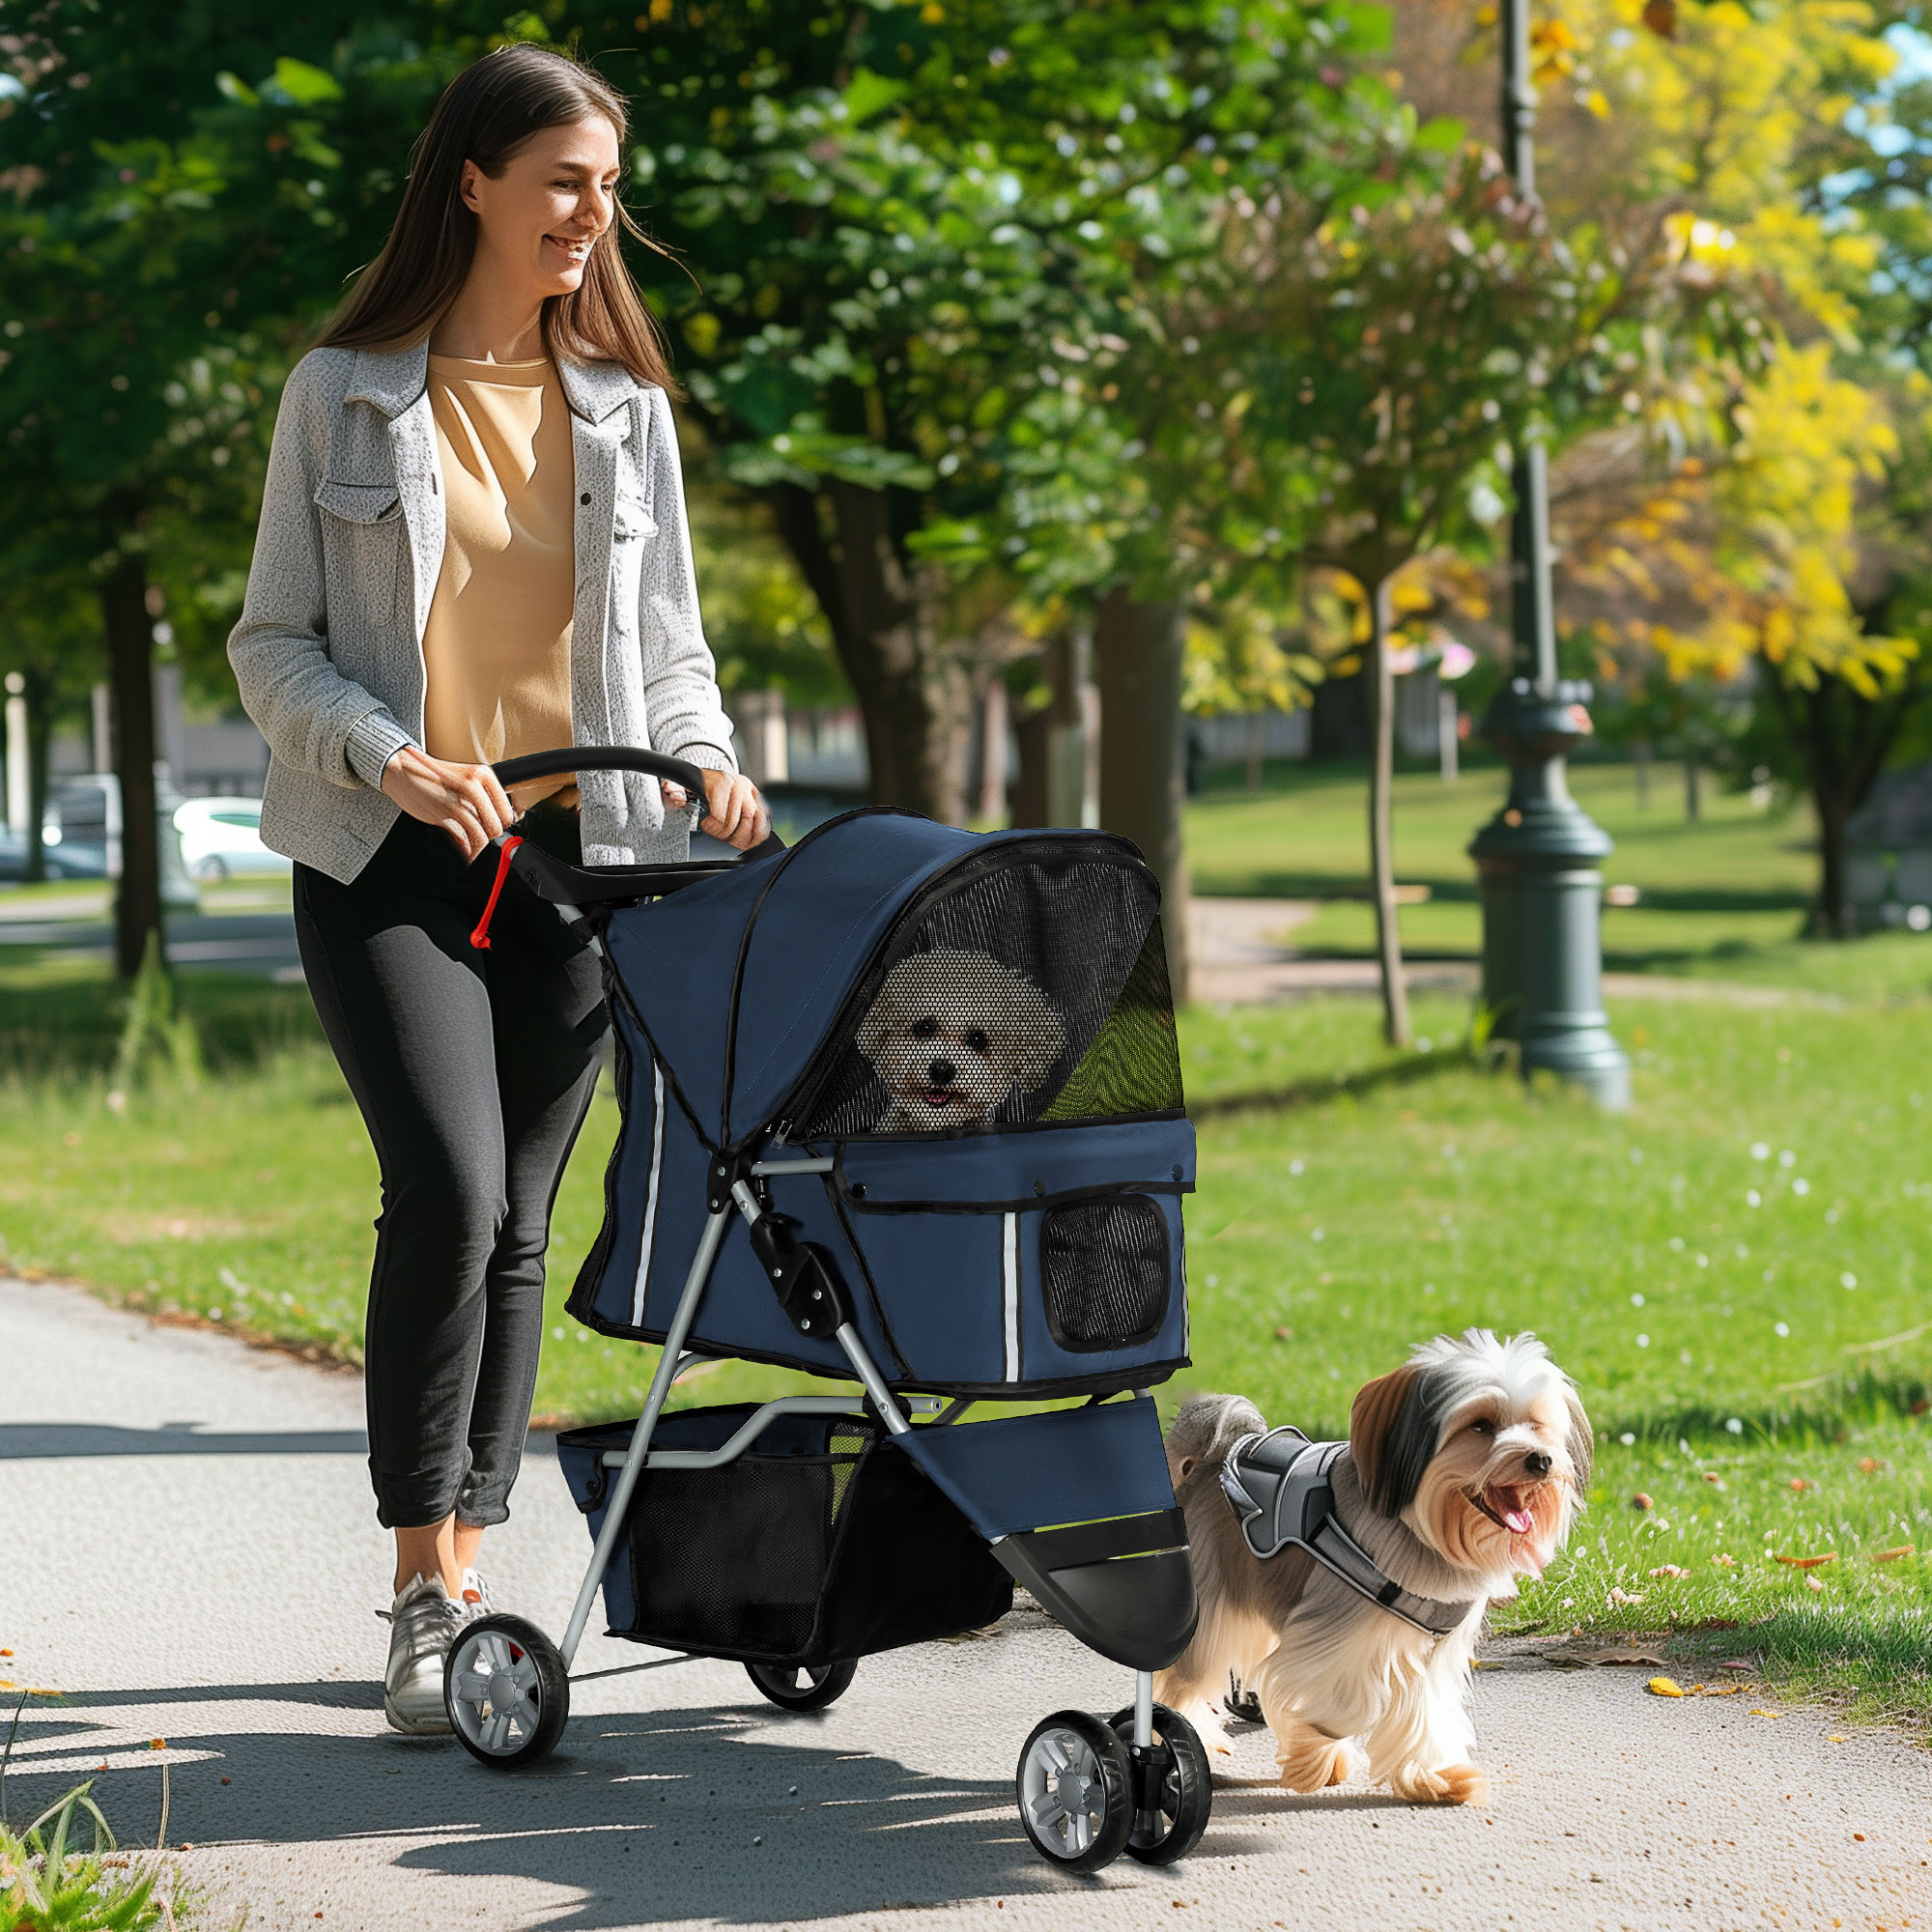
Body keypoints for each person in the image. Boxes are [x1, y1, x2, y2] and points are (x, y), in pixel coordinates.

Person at [228, 43, 770, 1734]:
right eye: (563, 182)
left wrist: (711, 756)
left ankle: (476, 1564)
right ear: (472, 180)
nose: (593, 216)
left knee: (525, 1225)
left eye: (607, 188)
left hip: (576, 863)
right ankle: (421, 1587)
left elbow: (667, 649)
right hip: (389, 851)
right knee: (453, 1192)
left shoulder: (626, 411)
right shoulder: (343, 393)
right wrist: (386, 752)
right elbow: (272, 644)